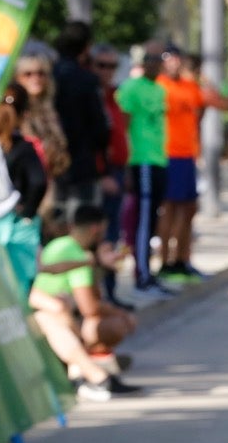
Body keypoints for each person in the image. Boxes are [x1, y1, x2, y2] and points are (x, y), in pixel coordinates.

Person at [28, 204, 142, 401]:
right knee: (113, 324)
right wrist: (121, 314)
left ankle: (85, 373)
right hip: (48, 312)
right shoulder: (78, 255)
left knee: (63, 313)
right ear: (96, 229)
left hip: (56, 310)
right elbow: (90, 308)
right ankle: (95, 372)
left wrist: (101, 266)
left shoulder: (61, 245)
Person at [115, 49, 175, 302]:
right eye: (150, 60)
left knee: (152, 219)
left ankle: (148, 271)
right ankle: (141, 274)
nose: (155, 65)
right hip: (142, 160)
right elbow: (123, 124)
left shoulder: (160, 89)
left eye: (158, 61)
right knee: (142, 219)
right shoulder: (131, 88)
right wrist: (127, 162)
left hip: (159, 158)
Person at [156, 45, 212, 282]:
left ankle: (183, 260)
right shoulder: (158, 85)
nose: (175, 63)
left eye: (178, 58)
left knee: (189, 209)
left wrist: (205, 80)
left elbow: (218, 102)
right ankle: (165, 262)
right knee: (170, 208)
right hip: (168, 154)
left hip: (189, 155)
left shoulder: (191, 85)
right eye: (169, 58)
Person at [0, 83, 48, 290]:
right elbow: (38, 181)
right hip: (16, 225)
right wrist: (28, 212)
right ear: (25, 113)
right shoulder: (23, 147)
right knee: (17, 289)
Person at [51, 21, 108, 220]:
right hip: (82, 162)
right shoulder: (87, 79)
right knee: (82, 221)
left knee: (56, 221)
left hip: (53, 160)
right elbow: (100, 126)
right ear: (86, 47)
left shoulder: (49, 74)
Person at [89, 42, 132, 307]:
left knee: (114, 235)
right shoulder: (90, 95)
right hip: (99, 174)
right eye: (101, 65)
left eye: (112, 66)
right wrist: (101, 172)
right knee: (99, 235)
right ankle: (96, 296)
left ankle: (111, 292)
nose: (107, 71)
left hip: (116, 169)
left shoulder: (112, 96)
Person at [14, 51, 71, 193]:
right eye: (28, 74)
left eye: (41, 73)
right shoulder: (13, 112)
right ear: (17, 78)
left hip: (50, 185)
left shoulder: (50, 110)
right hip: (23, 188)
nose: (35, 78)